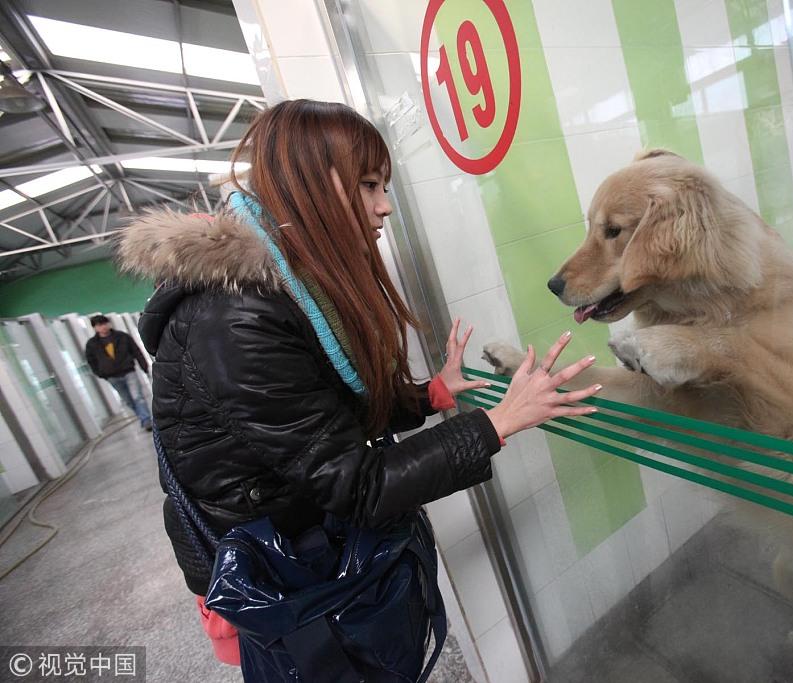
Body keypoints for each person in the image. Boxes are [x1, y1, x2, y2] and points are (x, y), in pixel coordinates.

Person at [117, 99, 601, 677]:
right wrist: (499, 421)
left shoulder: (288, 284)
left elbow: (325, 413)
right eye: (368, 185)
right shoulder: (236, 319)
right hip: (279, 574)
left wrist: (432, 395)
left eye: (384, 185)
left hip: (305, 541)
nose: (385, 206)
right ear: (306, 185)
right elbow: (359, 486)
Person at [84, 314, 152, 430]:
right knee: (128, 400)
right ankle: (143, 417)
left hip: (128, 371)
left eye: (105, 323)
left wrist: (144, 366)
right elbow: (91, 361)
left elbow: (136, 351)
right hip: (112, 376)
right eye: (99, 325)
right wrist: (100, 373)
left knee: (137, 396)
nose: (103, 327)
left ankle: (146, 420)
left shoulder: (122, 337)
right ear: (95, 328)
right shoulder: (92, 344)